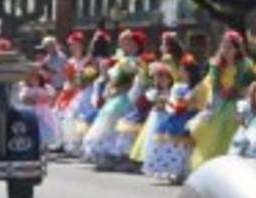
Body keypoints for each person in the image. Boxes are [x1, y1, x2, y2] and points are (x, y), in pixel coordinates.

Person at [188, 31, 256, 170]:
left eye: (230, 48)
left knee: (230, 134)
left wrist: (238, 91)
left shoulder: (245, 65)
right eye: (224, 47)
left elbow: (250, 86)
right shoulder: (216, 65)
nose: (226, 51)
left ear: (237, 49)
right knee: (213, 136)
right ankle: (211, 167)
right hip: (219, 104)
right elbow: (212, 86)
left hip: (237, 106)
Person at [84, 30, 146, 169]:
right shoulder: (121, 58)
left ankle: (121, 156)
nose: (123, 44)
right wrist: (110, 86)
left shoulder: (138, 60)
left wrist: (121, 87)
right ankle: (106, 155)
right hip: (116, 95)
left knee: (120, 125)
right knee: (108, 123)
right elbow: (113, 77)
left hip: (127, 96)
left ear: (135, 44)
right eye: (121, 41)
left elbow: (136, 80)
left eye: (126, 42)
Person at [140, 67, 196, 184]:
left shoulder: (192, 88)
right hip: (172, 117)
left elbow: (189, 102)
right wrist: (171, 103)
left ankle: (180, 172)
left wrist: (180, 105)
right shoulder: (176, 87)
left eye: (184, 72)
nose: (182, 74)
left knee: (181, 147)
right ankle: (171, 170)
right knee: (169, 144)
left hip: (183, 117)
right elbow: (171, 101)